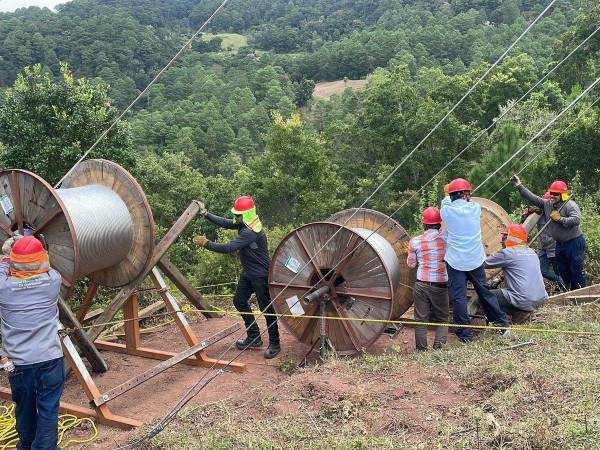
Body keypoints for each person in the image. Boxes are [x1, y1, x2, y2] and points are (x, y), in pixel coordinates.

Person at [193, 196, 281, 359]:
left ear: (246, 215)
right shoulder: (246, 221)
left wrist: (207, 244)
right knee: (239, 301)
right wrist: (206, 214)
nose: (235, 218)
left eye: (238, 215)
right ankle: (254, 337)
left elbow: (230, 247)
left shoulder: (250, 231)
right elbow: (227, 223)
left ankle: (275, 343)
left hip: (260, 275)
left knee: (267, 310)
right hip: (248, 272)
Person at [0, 235, 64, 450]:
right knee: (48, 409)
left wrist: (10, 252)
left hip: (19, 364)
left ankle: (26, 446)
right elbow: (47, 265)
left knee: (24, 408)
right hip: (50, 359)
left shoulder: (3, 288)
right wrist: (31, 243)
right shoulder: (53, 281)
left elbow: (3, 266)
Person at [441, 178, 510, 342]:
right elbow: (468, 201)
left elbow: (445, 202)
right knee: (484, 292)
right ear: (464, 194)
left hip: (455, 262)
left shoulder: (447, 211)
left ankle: (465, 335)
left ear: (452, 195)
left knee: (459, 297)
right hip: (474, 259)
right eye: (468, 193)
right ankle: (502, 325)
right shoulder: (475, 208)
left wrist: (447, 194)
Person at [512, 176, 585, 290]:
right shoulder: (548, 204)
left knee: (576, 271)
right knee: (563, 272)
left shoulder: (570, 205)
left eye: (556, 194)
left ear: (562, 195)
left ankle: (580, 294)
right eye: (551, 193)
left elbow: (577, 219)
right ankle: (569, 294)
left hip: (574, 242)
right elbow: (533, 198)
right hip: (560, 244)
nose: (552, 196)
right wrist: (519, 186)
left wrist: (560, 219)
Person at [406, 207, 449, 351]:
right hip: (441, 285)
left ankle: (422, 350)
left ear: (424, 224)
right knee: (443, 319)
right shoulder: (447, 239)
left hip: (422, 285)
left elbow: (411, 265)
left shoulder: (415, 241)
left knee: (420, 319)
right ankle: (438, 348)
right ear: (439, 223)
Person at [484, 224, 547, 319]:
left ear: (512, 238)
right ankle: (521, 312)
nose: (501, 241)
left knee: (486, 296)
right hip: (541, 299)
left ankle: (500, 323)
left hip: (523, 299)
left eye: (505, 238)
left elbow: (482, 264)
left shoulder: (508, 253)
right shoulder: (532, 252)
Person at [522, 193, 565, 291]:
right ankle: (560, 282)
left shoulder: (557, 212)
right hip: (543, 247)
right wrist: (526, 214)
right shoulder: (537, 214)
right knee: (543, 271)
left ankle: (564, 289)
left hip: (554, 246)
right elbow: (524, 226)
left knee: (559, 271)